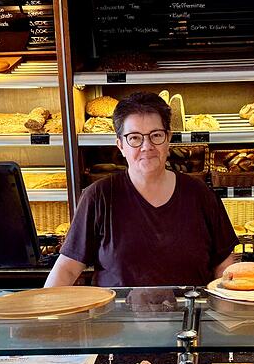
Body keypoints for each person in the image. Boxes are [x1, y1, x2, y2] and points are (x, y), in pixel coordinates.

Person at [45, 92, 238, 287]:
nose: (147, 146)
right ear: (120, 145)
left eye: (156, 135)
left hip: (189, 315)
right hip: (119, 316)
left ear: (168, 138)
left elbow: (224, 264)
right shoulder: (99, 196)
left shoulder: (200, 194)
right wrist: (48, 312)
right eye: (134, 138)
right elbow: (67, 268)